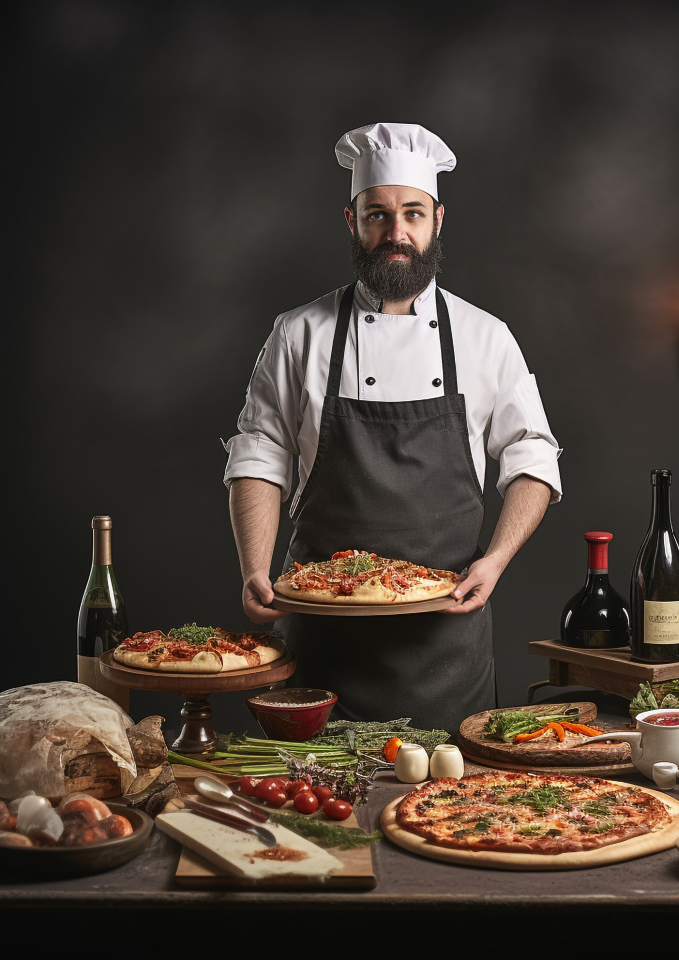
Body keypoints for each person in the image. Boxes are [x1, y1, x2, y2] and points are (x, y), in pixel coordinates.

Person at [223, 122, 562, 731]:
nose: (396, 233)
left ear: (438, 221)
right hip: (322, 645)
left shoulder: (486, 338)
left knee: (449, 813)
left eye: (412, 213)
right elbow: (260, 451)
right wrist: (255, 564)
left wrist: (497, 560)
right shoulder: (299, 333)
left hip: (445, 651)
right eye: (377, 214)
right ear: (351, 221)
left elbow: (532, 457)